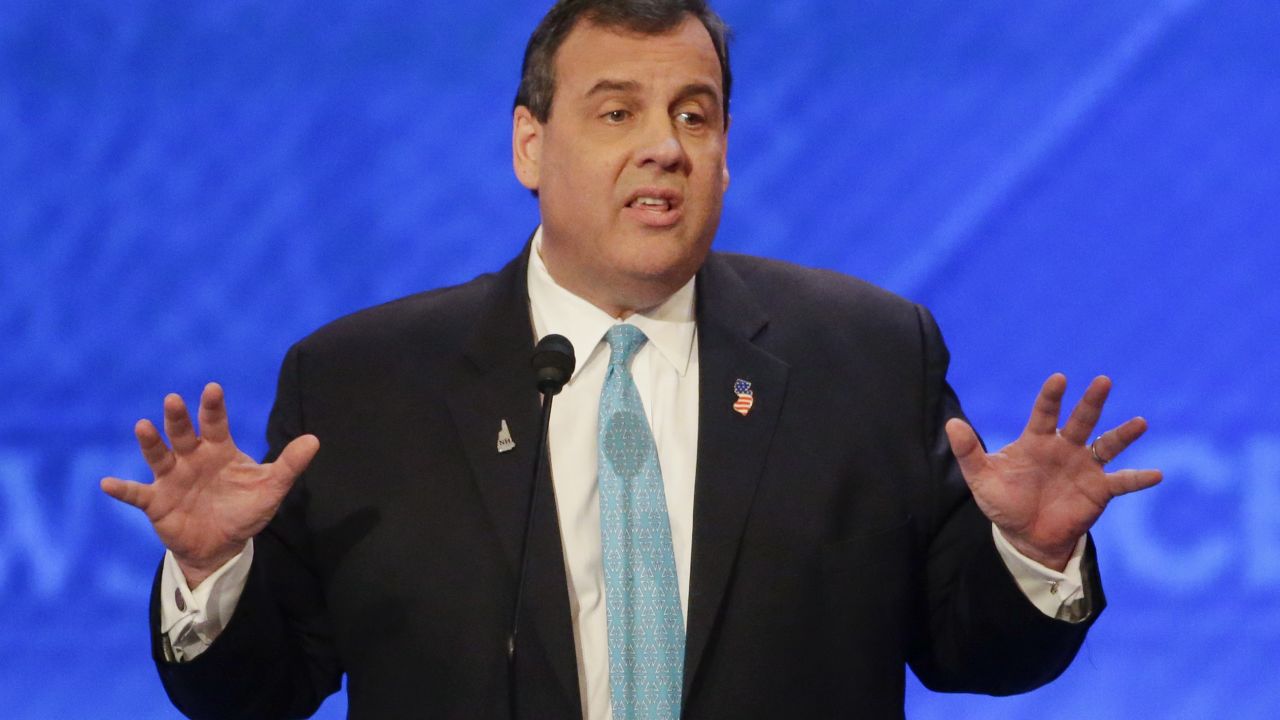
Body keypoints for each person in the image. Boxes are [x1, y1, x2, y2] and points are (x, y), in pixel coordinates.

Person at [101, 1, 1162, 718]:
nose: (665, 145)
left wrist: (1027, 558)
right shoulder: (364, 382)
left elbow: (969, 653)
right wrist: (210, 574)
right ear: (529, 145)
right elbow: (259, 690)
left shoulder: (867, 354)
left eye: (693, 115)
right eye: (616, 112)